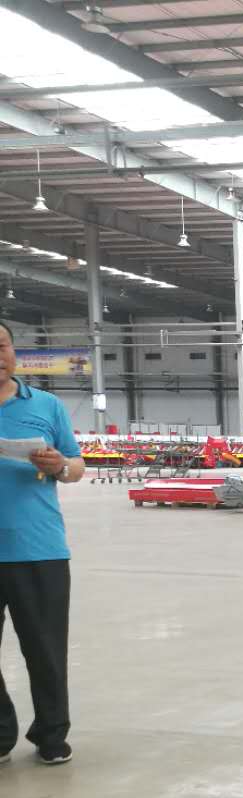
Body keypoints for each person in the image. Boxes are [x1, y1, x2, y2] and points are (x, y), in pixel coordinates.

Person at [0, 318, 85, 768]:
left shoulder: (47, 405)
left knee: (46, 651)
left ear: (14, 352)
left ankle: (52, 735)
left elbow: (77, 466)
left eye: (2, 346)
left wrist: (59, 466)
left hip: (38, 548)